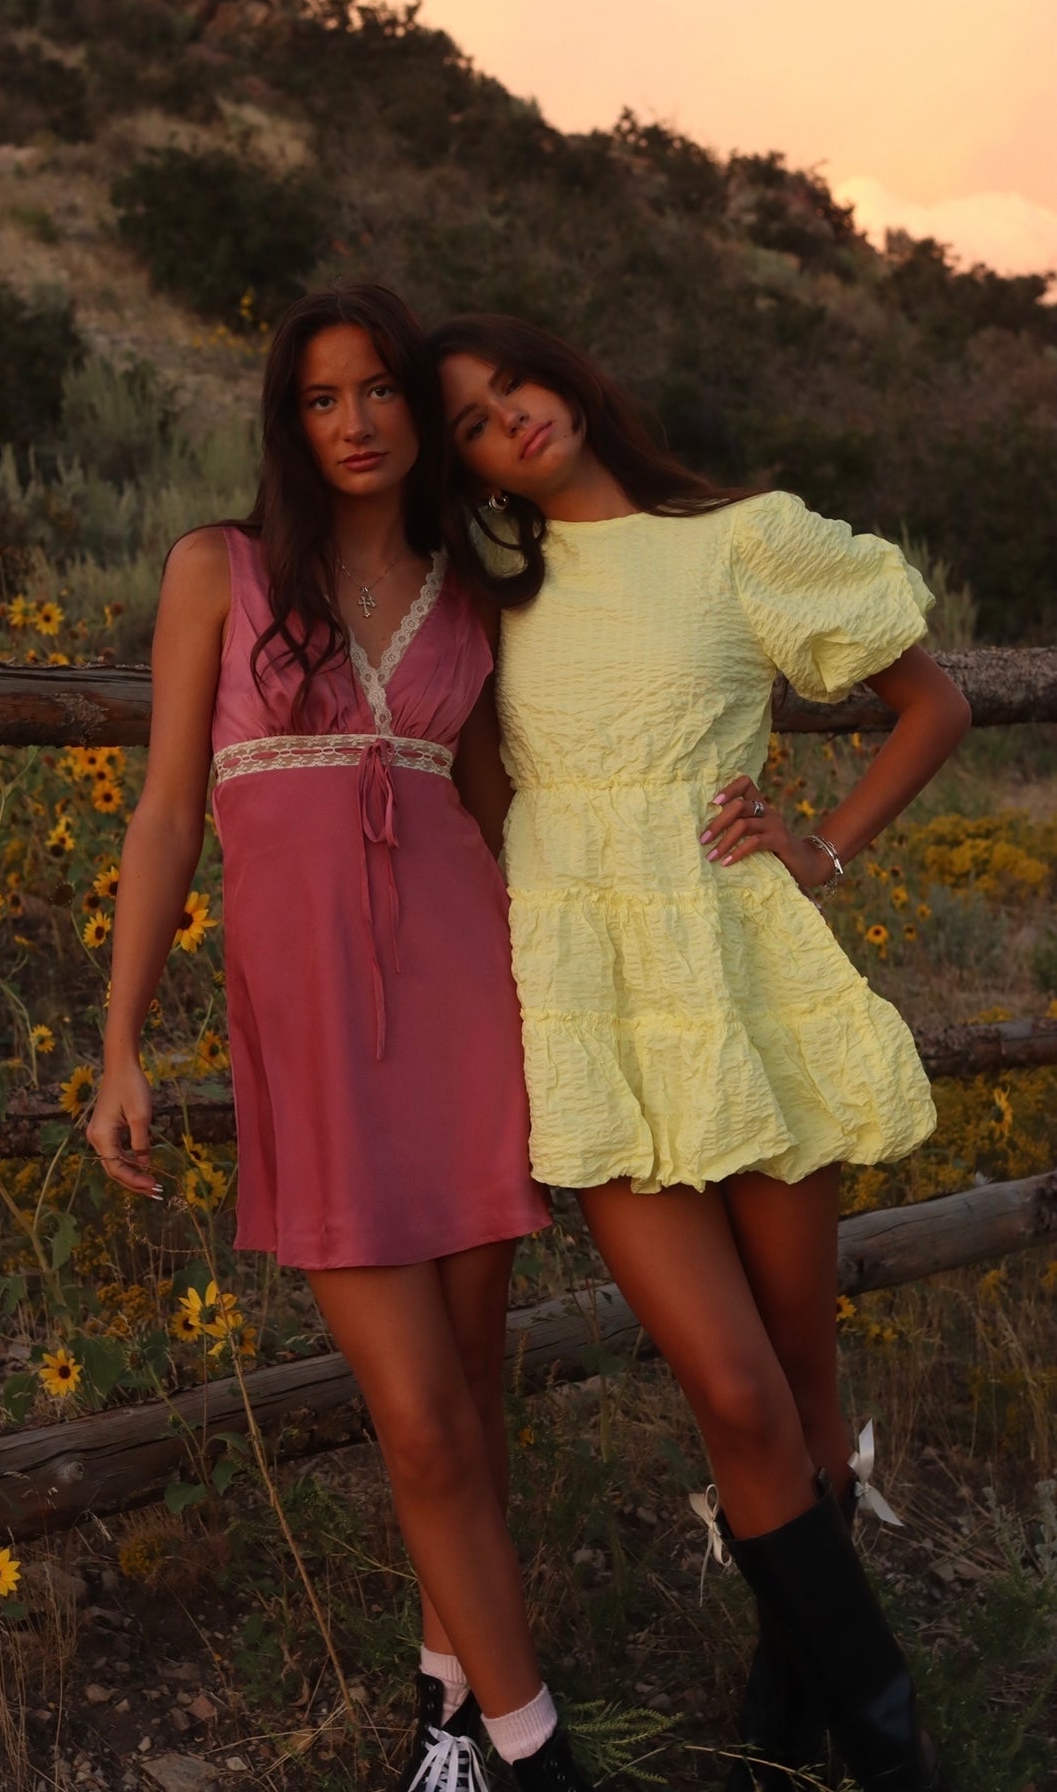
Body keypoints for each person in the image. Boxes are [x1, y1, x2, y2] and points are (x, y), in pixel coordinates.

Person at [429, 311, 971, 1792]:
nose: (510, 419)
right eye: (473, 421)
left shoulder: (741, 536)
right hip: (598, 1011)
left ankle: (791, 1709)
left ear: (573, 374)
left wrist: (827, 850)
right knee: (734, 1394)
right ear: (468, 469)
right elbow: (481, 813)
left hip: (739, 985)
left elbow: (933, 701)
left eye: (515, 384)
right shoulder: (492, 604)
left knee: (802, 1367)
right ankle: (893, 1738)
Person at [88, 285, 596, 1791]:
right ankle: (533, 1749)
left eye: (378, 391)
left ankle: (450, 1716)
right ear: (285, 420)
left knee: (469, 1402)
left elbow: (502, 816)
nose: (356, 422)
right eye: (321, 398)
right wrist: (120, 1040)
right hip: (310, 1028)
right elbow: (171, 810)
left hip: (468, 1008)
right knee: (423, 1420)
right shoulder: (219, 569)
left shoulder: (474, 593)